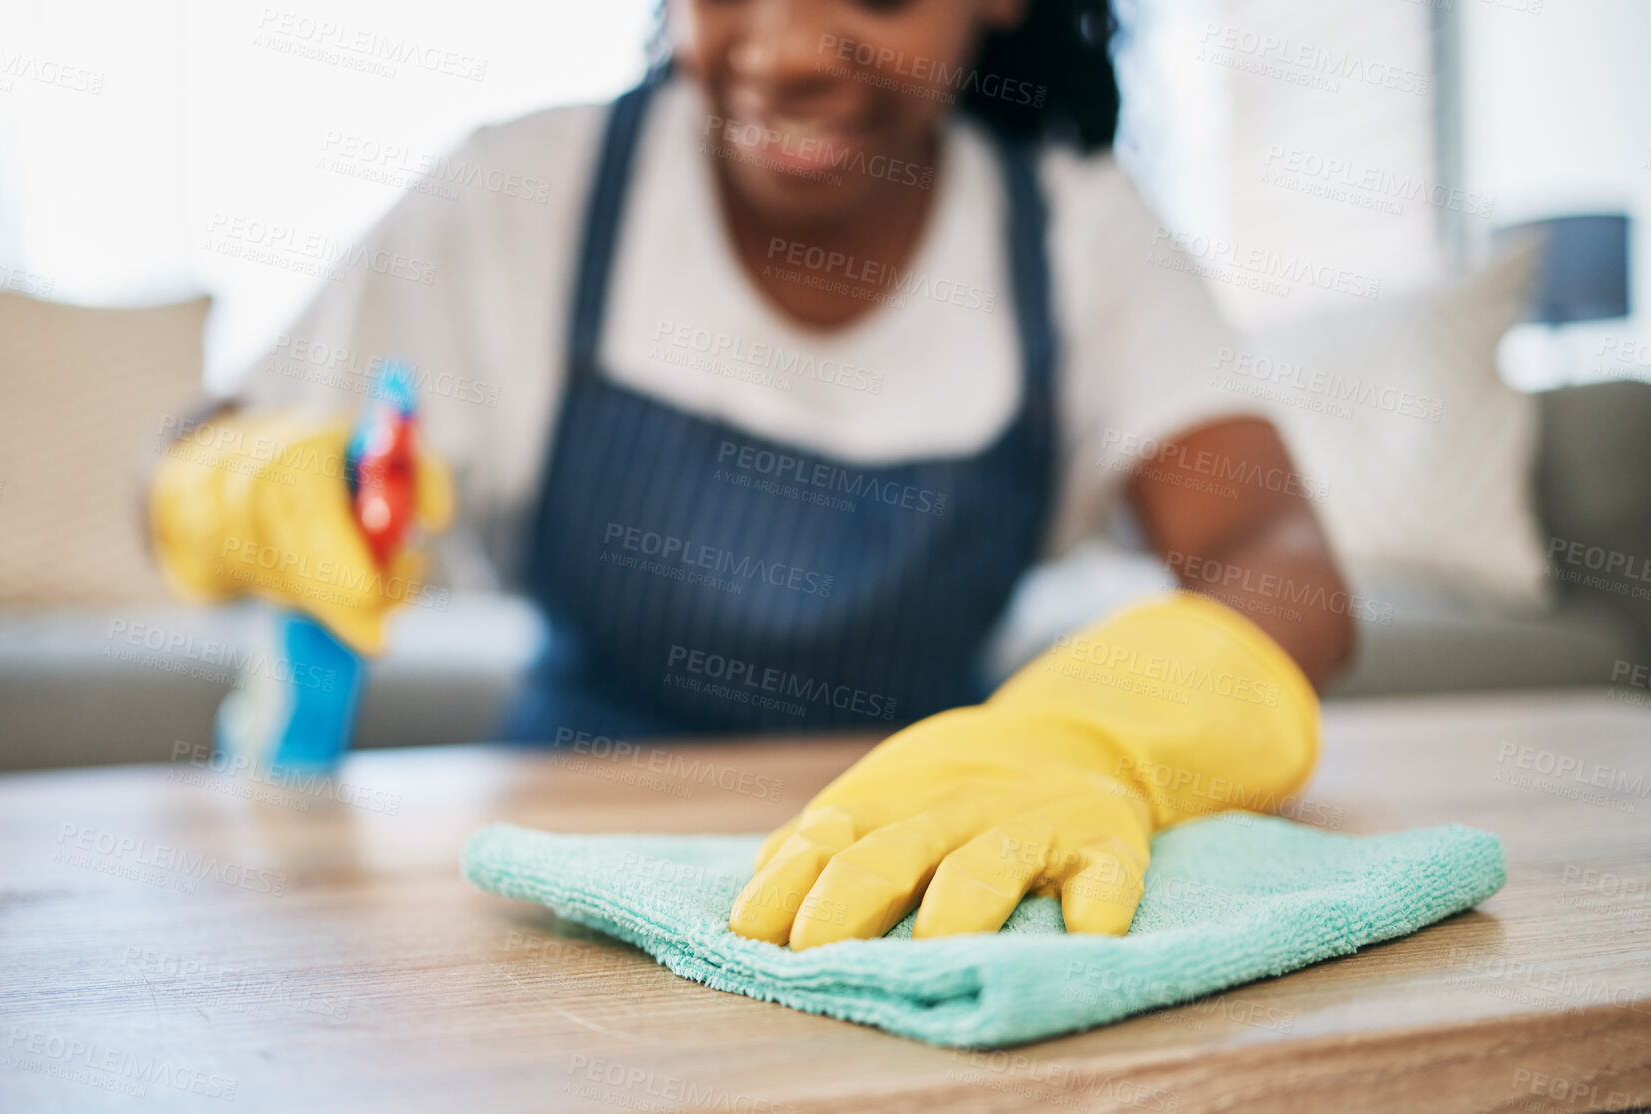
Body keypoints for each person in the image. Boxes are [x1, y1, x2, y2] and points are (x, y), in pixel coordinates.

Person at [149, 0, 1354, 945]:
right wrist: (230, 485)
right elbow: (189, 447)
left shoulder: (1079, 235)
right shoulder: (527, 192)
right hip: (553, 887)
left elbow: (1281, 568)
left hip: (928, 882)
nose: (779, 53)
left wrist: (1091, 737)